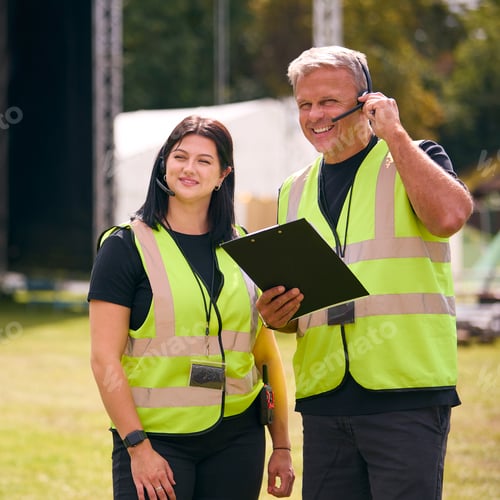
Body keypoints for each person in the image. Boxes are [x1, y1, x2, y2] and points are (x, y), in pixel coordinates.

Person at [256, 46, 474, 500]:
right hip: (324, 401)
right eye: (305, 105)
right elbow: (300, 311)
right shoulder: (291, 191)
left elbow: (451, 216)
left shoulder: (415, 158)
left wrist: (395, 135)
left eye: (329, 101)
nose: (316, 115)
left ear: (368, 100)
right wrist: (279, 315)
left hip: (406, 395)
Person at [88, 115, 295, 500]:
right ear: (164, 162)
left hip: (238, 439)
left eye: (204, 161)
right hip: (157, 442)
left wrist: (280, 445)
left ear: (223, 175)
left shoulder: (246, 247)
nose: (189, 168)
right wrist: (137, 447)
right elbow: (104, 360)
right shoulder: (124, 247)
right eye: (180, 156)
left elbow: (265, 354)